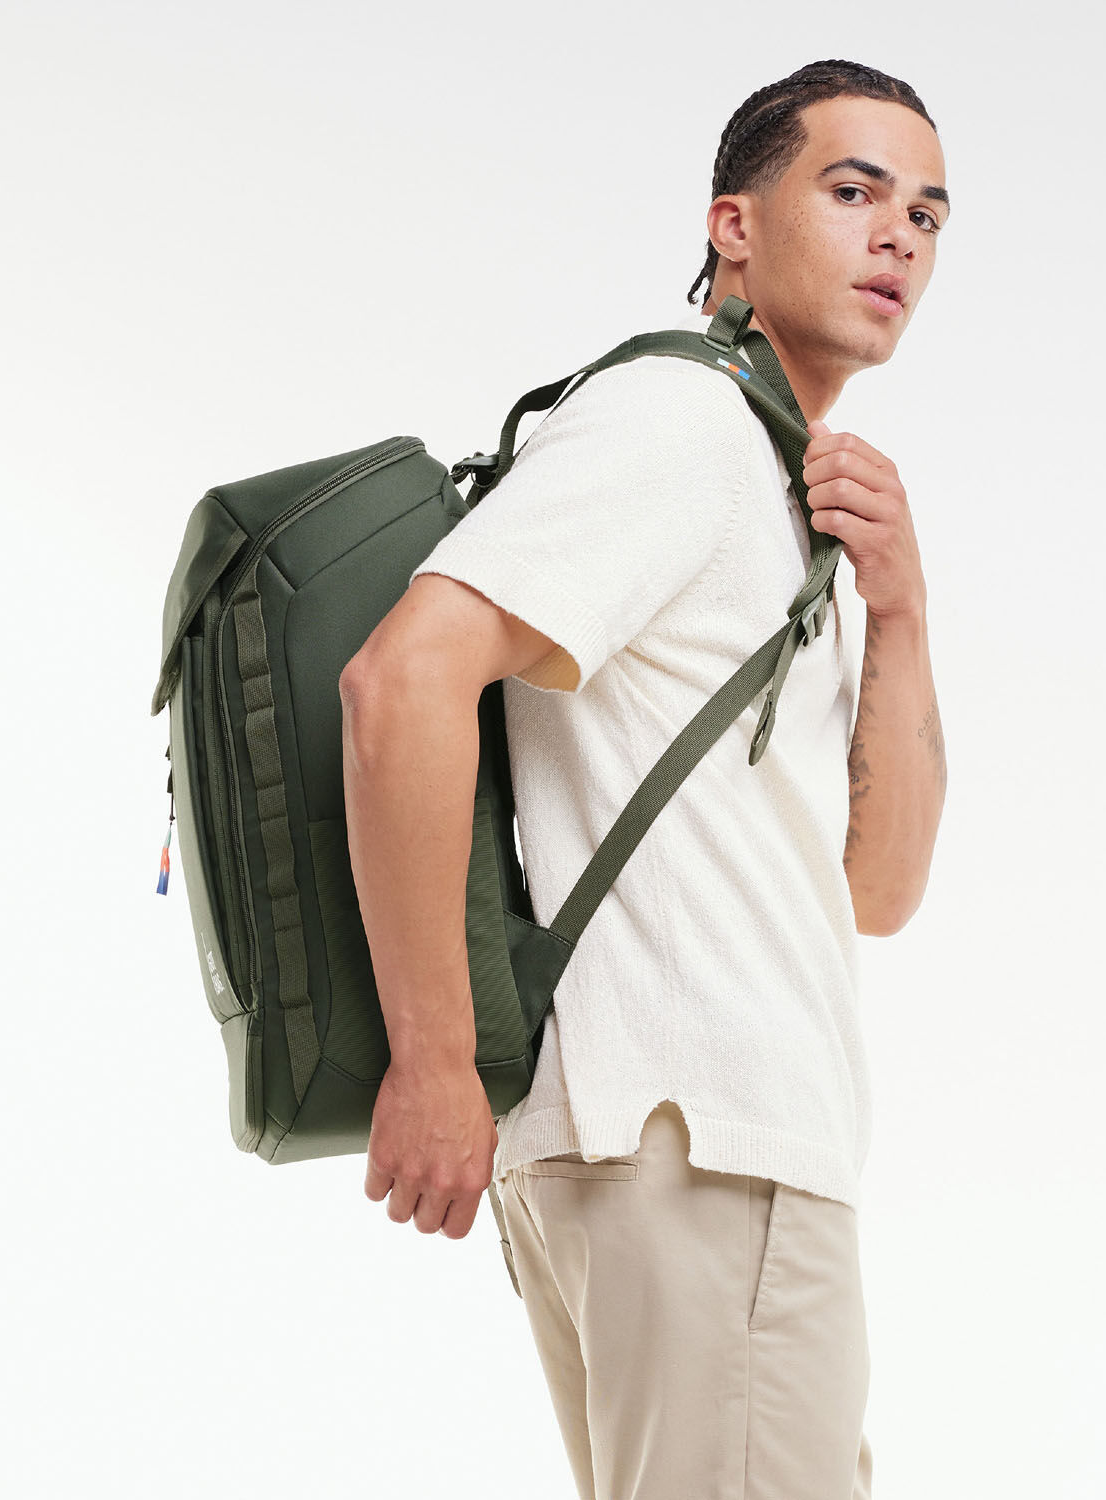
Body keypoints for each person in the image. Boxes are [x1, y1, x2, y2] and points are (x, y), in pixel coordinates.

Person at [339, 56, 950, 1500]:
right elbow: (402, 678)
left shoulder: (773, 478)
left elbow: (875, 891)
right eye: (852, 190)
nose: (898, 236)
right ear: (734, 224)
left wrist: (903, 613)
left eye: (927, 214)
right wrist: (433, 1059)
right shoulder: (682, 425)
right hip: (696, 1141)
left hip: (694, 1156)